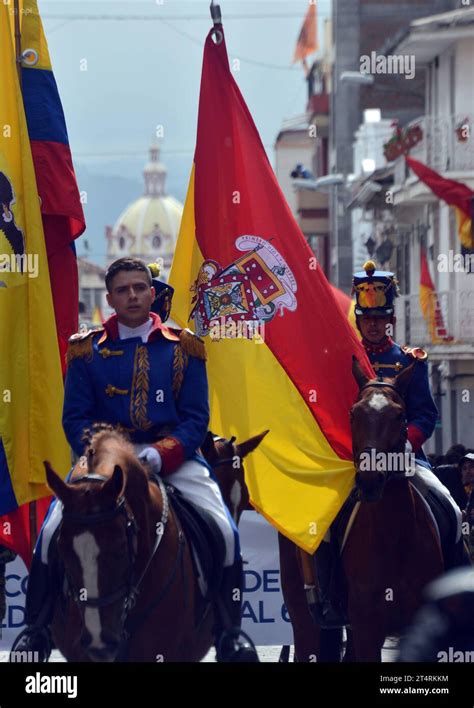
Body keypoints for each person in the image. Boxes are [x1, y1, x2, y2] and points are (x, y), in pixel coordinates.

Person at [11, 257, 258, 663]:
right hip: (101, 464)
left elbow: (197, 418)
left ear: (151, 293)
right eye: (123, 289)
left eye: (140, 287)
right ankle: (35, 629)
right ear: (110, 298)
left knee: (224, 528)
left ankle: (231, 631)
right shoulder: (85, 350)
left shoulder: (185, 346)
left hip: (175, 460)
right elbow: (74, 418)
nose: (133, 295)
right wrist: (105, 455)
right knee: (52, 530)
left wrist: (163, 454)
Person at [314, 260, 464, 628]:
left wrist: (408, 445)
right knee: (325, 521)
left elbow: (425, 414)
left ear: (390, 319)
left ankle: (458, 600)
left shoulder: (408, 361)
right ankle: (332, 597)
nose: (374, 325)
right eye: (367, 319)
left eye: (380, 319)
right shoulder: (346, 360)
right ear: (359, 321)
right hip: (358, 461)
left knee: (451, 510)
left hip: (406, 460)